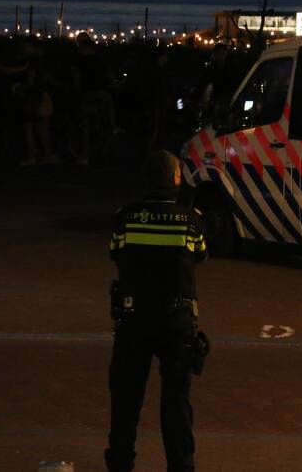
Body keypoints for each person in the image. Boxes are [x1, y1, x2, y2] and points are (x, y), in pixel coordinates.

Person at [106, 150, 209, 472]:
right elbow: (200, 255)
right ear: (175, 178)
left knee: (126, 401)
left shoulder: (126, 216)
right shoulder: (190, 219)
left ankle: (120, 463)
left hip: (133, 318)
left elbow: (115, 252)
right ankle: (181, 466)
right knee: (176, 401)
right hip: (176, 321)